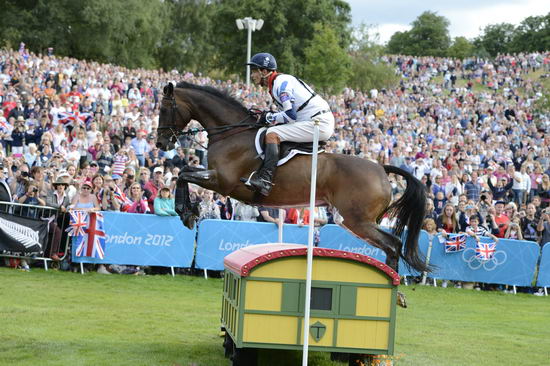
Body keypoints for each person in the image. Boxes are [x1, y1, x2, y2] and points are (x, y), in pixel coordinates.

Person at [240, 52, 335, 196]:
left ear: (264, 71)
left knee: (272, 134)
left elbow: (290, 116)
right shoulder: (277, 84)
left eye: (254, 71)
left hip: (318, 122)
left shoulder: (280, 84)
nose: (252, 76)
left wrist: (270, 117)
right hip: (314, 120)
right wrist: (270, 116)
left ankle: (265, 180)